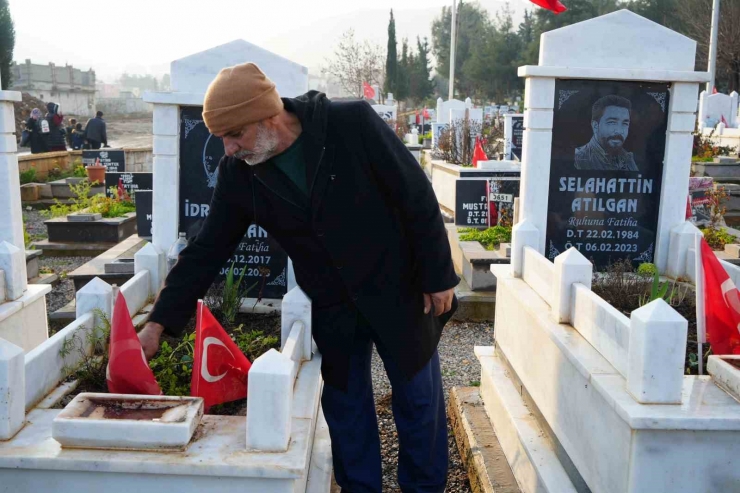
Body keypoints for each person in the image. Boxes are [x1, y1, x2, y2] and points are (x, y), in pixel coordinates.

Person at [138, 63, 458, 493]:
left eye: (235, 135)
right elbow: (206, 249)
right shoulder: (241, 173)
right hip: (332, 303)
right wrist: (159, 322)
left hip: (398, 287)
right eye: (223, 139)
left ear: (267, 115)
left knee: (418, 401)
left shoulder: (350, 124)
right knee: (347, 412)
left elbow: (414, 192)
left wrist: (438, 275)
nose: (228, 150)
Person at [574, 95, 638, 171]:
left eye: (625, 123)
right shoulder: (579, 159)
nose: (619, 130)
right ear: (595, 126)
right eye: (612, 122)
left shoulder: (628, 159)